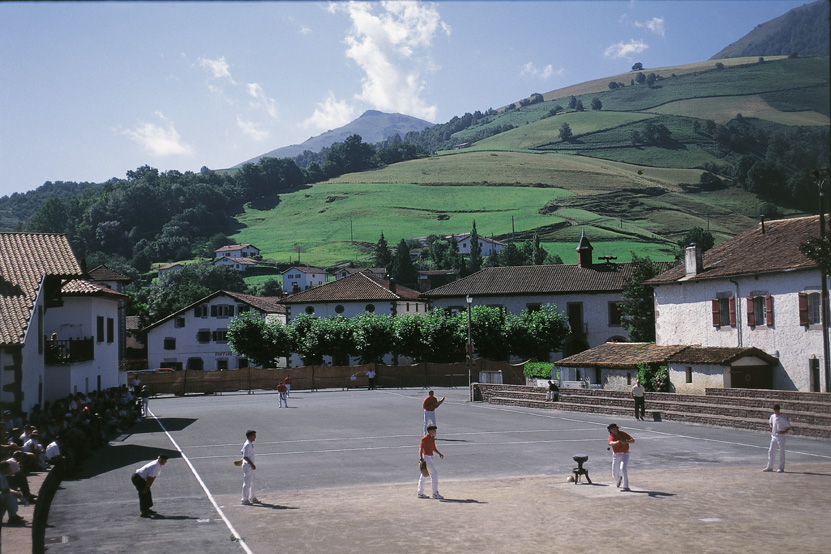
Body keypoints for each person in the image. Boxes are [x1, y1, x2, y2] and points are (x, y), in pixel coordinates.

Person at [763, 404, 793, 473]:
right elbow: (770, 422)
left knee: (781, 452)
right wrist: (771, 426)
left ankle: (781, 467)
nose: (775, 412)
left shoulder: (782, 418)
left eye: (776, 411)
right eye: (774, 411)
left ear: (778, 410)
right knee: (771, 451)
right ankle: (770, 466)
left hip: (780, 436)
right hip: (773, 436)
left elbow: (789, 426)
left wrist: (784, 431)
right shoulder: (772, 416)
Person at [417, 424, 444, 500]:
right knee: (434, 474)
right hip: (426, 458)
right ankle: (435, 493)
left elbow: (433, 447)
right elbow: (420, 448)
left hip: (430, 457)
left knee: (424, 476)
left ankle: (420, 493)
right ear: (429, 431)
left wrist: (439, 453)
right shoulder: (424, 439)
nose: (435, 432)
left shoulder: (432, 438)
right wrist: (421, 458)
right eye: (434, 430)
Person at [607, 423, 634, 492]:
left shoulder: (623, 434)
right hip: (616, 455)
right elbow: (610, 443)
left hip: (625, 454)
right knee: (614, 473)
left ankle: (626, 486)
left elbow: (632, 440)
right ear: (610, 431)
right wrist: (616, 442)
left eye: (615, 428)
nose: (614, 430)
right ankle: (619, 479)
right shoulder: (612, 436)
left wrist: (625, 442)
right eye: (612, 429)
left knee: (623, 468)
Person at [0, 461, 26, 525]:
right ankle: (12, 517)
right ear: (4, 469)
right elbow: (4, 490)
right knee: (10, 496)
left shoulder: (3, 476)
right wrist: (15, 493)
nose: (10, 470)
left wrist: (16, 492)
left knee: (12, 494)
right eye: (8, 468)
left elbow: (7, 488)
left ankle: (13, 516)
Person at [240, 430, 259, 505]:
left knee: (253, 481)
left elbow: (243, 452)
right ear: (250, 436)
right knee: (247, 482)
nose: (255, 437)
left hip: (250, 466)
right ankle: (244, 499)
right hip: (248, 466)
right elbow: (245, 456)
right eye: (254, 435)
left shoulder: (249, 444)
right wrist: (252, 464)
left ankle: (253, 497)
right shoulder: (247, 444)